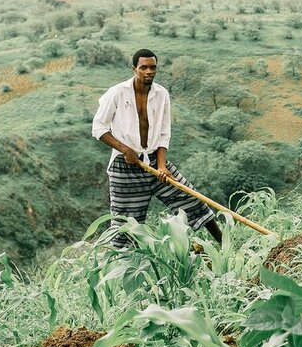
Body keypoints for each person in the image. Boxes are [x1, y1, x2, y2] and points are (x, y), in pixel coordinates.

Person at [92, 48, 222, 245]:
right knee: (124, 227)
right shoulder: (117, 93)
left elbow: (163, 134)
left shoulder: (161, 94)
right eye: (143, 67)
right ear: (134, 68)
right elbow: (98, 127)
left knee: (193, 200)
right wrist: (125, 149)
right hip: (125, 167)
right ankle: (121, 268)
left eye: (152, 67)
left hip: (154, 161)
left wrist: (161, 166)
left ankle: (225, 245)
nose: (148, 71)